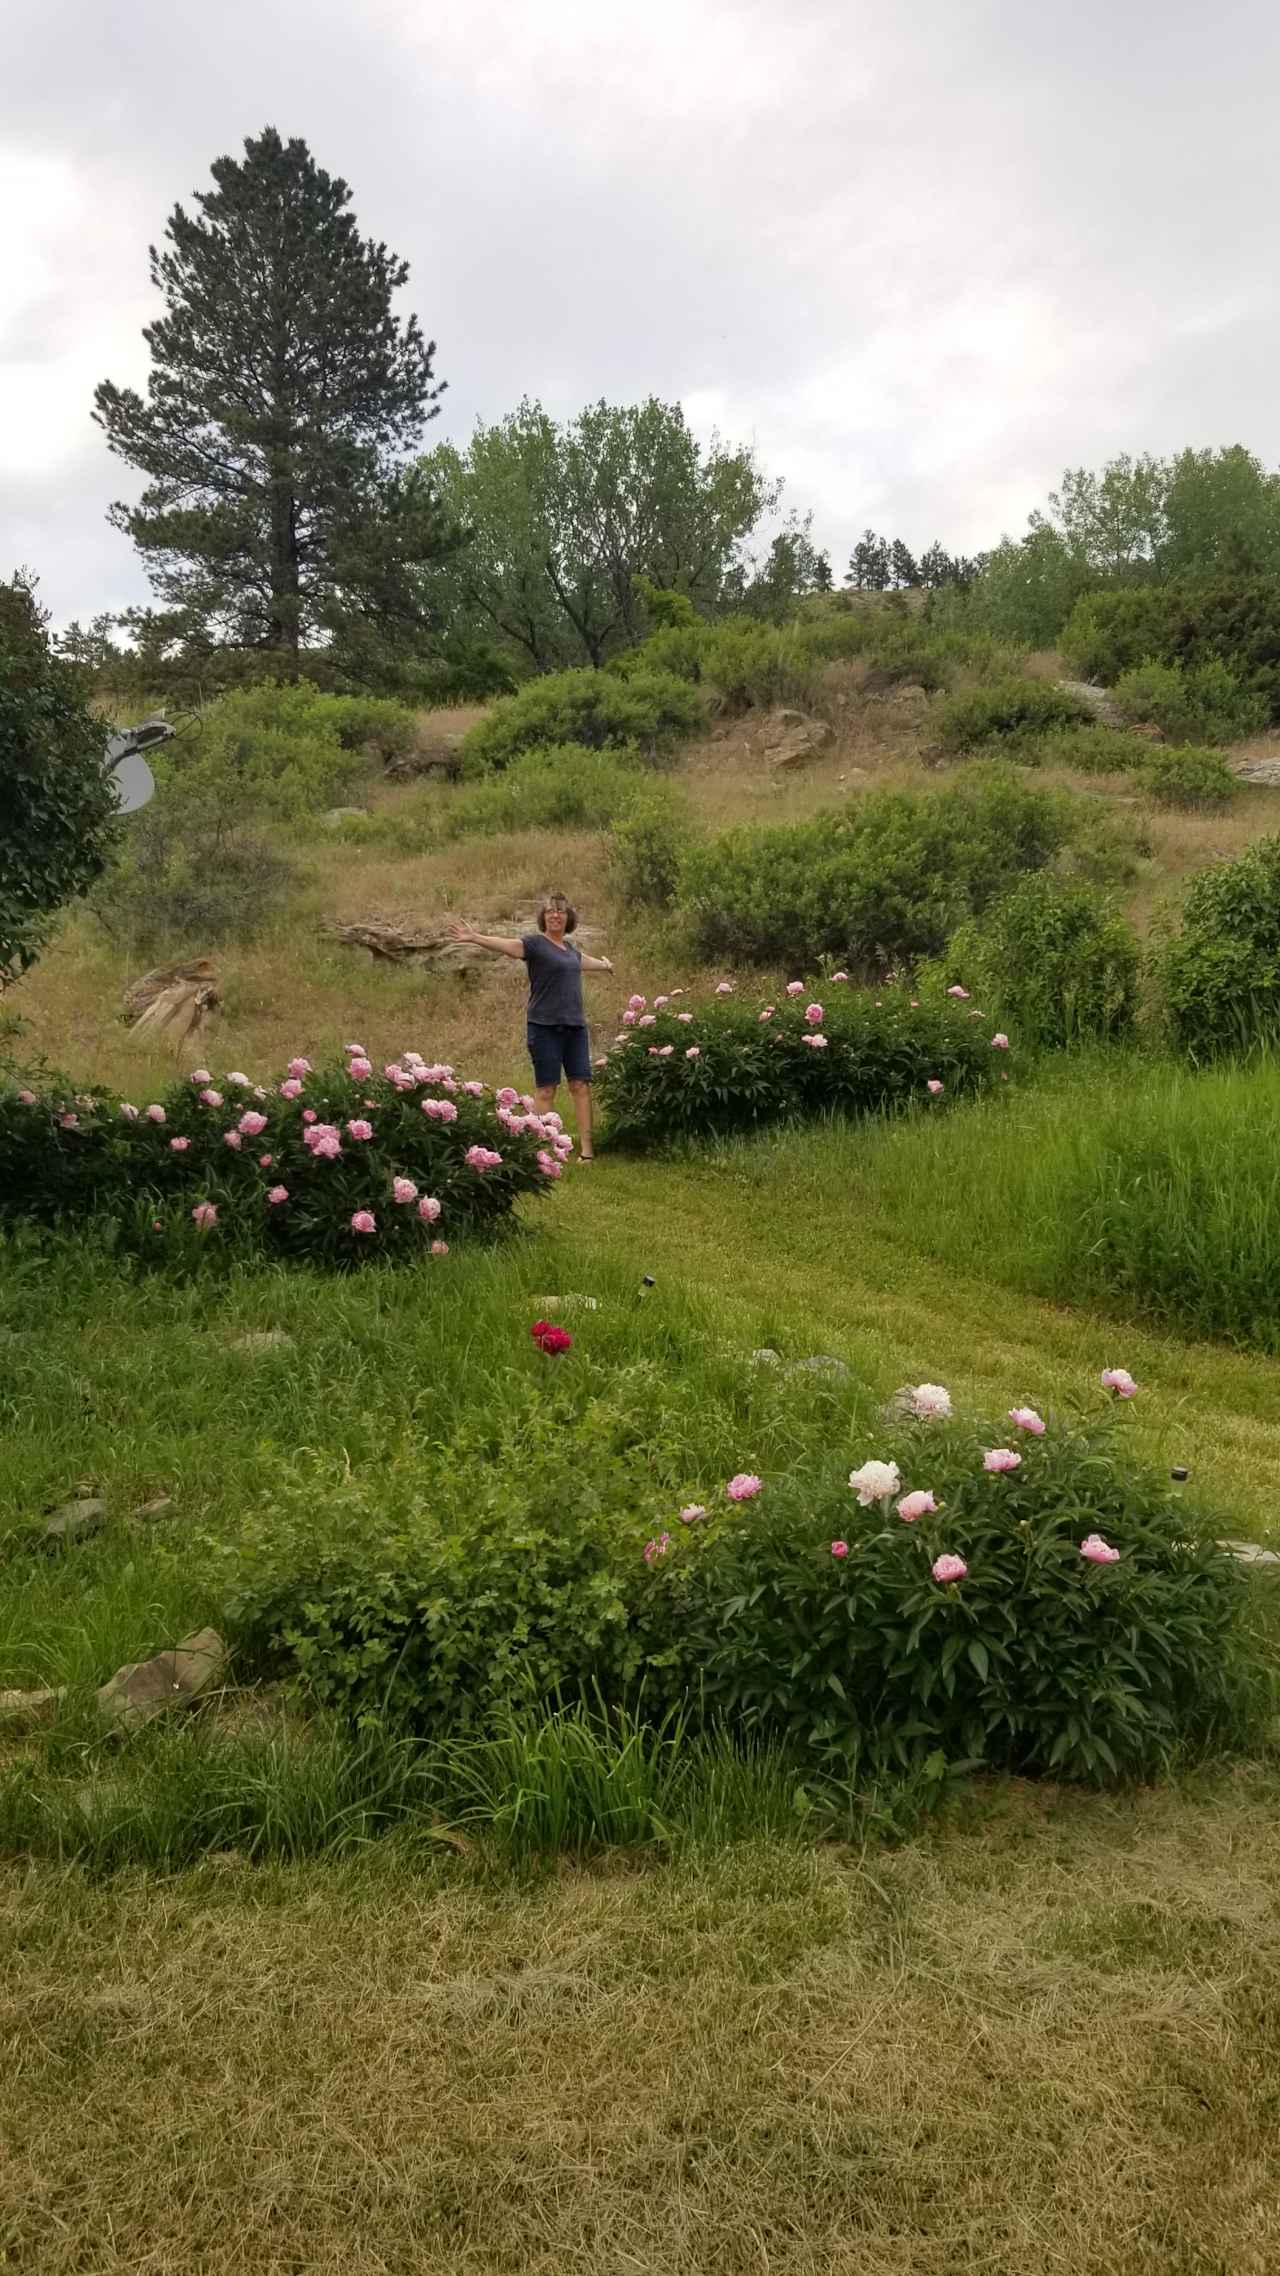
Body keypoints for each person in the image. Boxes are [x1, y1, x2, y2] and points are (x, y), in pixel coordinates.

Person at [447, 894, 614, 1162]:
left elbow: (583, 961)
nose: (555, 915)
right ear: (543, 917)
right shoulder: (535, 945)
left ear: (568, 917)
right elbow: (508, 946)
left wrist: (606, 966)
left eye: (560, 911)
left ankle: (587, 1151)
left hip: (575, 1028)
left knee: (581, 1086)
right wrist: (476, 937)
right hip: (544, 1027)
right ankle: (542, 1153)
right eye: (550, 911)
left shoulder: (570, 950)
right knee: (546, 1090)